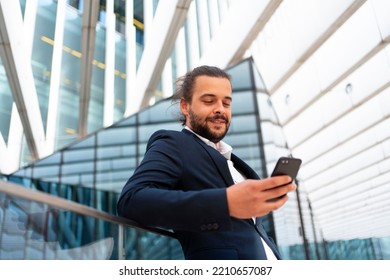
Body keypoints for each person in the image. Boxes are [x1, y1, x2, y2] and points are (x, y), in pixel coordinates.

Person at [116, 65, 296, 260]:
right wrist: (225, 203)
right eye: (209, 101)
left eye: (226, 103)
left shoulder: (234, 163)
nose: (220, 109)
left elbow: (252, 229)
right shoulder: (173, 144)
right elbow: (131, 201)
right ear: (185, 106)